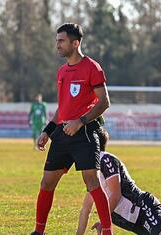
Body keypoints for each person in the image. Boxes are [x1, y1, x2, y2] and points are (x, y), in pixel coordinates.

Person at [31, 23, 112, 235]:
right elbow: (63, 108)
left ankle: (107, 231)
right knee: (46, 183)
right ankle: (38, 231)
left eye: (62, 41)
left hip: (85, 133)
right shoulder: (61, 71)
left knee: (91, 181)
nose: (57, 45)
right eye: (57, 40)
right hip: (62, 135)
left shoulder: (92, 68)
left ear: (75, 43)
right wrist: (47, 131)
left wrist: (80, 122)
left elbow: (104, 102)